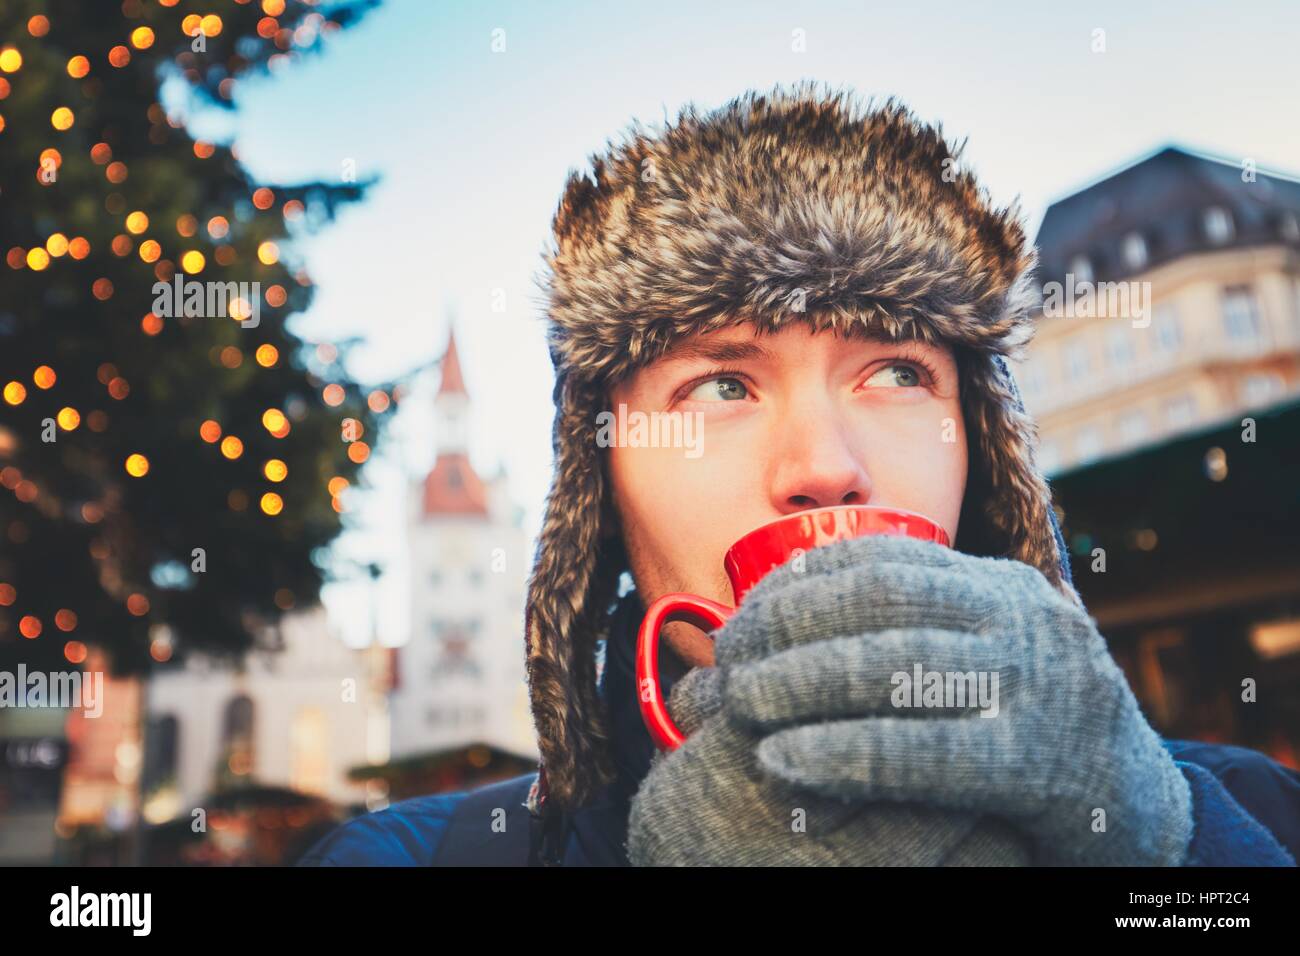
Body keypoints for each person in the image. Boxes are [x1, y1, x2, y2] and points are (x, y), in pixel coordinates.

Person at [298, 83, 1299, 867]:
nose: (825, 467)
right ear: (600, 490)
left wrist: (1160, 841)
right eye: (721, 383)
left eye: (898, 371)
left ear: (983, 454)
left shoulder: (1238, 811)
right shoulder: (415, 857)